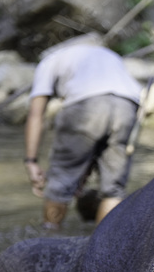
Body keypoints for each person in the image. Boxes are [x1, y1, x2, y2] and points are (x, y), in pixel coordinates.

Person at [24, 39, 142, 229]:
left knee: (60, 184)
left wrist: (31, 161)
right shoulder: (107, 55)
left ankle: (48, 242)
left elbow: (36, 115)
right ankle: (103, 251)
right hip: (128, 105)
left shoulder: (49, 61)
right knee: (113, 190)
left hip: (86, 105)